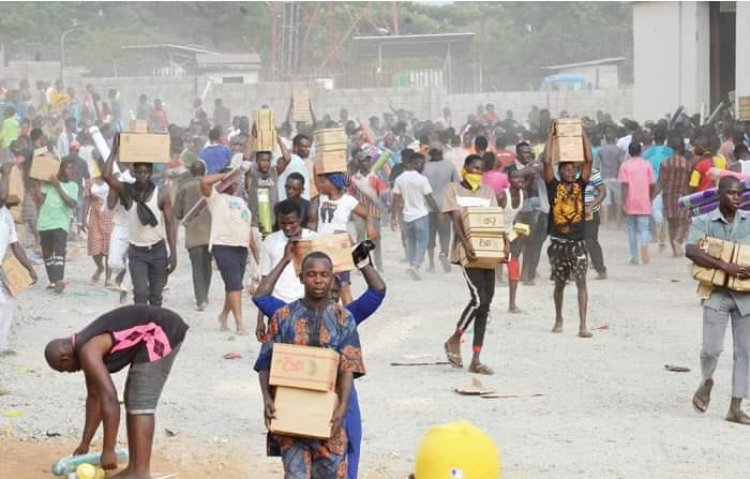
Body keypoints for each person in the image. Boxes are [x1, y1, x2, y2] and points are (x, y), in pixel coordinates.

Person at [253, 240, 385, 479]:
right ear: (302, 277)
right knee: (295, 474)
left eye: (324, 275)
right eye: (312, 274)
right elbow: (265, 362)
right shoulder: (284, 316)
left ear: (333, 279)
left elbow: (348, 367)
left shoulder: (344, 318)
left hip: (330, 412)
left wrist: (343, 407)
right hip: (291, 412)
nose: (318, 280)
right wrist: (266, 399)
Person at [44, 305, 188, 478]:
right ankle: (134, 469)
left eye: (64, 369)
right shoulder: (84, 347)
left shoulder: (88, 350)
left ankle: (140, 472)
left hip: (162, 329)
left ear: (65, 358)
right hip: (157, 329)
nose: (69, 372)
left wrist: (109, 450)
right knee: (133, 397)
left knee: (140, 399)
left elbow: (110, 400)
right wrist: (85, 443)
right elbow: (95, 398)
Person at [686, 176, 750, 425]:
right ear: (719, 194)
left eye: (739, 194)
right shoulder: (704, 221)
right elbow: (690, 250)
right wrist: (725, 266)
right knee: (711, 349)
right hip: (716, 294)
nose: (736, 197)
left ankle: (736, 406)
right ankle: (706, 382)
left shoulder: (748, 221)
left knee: (745, 352)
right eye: (731, 193)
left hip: (745, 297)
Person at [103, 134, 177, 306]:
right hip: (137, 252)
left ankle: (154, 331)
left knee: (156, 297)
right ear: (134, 172)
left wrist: (173, 253)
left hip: (158, 250)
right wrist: (114, 149)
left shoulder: (162, 194)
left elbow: (170, 224)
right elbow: (107, 176)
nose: (143, 175)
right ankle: (141, 330)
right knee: (141, 294)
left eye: (146, 171)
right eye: (139, 171)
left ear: (151, 172)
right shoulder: (127, 192)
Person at [443, 154, 500, 375]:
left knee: (486, 305)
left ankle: (476, 358)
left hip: (488, 252)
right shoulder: (453, 190)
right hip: (467, 253)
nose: (477, 173)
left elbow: (494, 220)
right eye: (474, 168)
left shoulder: (487, 192)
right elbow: (456, 220)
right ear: (465, 168)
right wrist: (466, 245)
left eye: (481, 170)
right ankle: (455, 338)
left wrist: (503, 247)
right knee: (478, 299)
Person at [543, 126, 594, 338]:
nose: (570, 172)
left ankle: (583, 324)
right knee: (560, 283)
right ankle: (558, 319)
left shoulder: (580, 185)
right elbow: (546, 162)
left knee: (582, 282)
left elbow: (589, 161)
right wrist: (551, 137)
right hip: (558, 243)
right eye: (566, 169)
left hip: (578, 243)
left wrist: (583, 133)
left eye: (573, 169)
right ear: (559, 171)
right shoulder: (553, 186)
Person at [201, 167, 255, 335]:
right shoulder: (215, 198)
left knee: (233, 286)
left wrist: (255, 252)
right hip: (223, 246)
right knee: (234, 285)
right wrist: (225, 176)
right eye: (233, 180)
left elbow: (247, 227)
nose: (235, 183)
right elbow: (204, 181)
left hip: (241, 247)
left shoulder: (240, 202)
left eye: (236, 180)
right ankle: (239, 323)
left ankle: (224, 315)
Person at [312, 172, 377, 303]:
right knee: (324, 285)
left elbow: (367, 214)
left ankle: (350, 318)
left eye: (325, 182)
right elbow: (316, 177)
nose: (321, 185)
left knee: (343, 286)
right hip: (322, 245)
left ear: (333, 185)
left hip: (340, 245)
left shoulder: (348, 200)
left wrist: (370, 227)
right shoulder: (322, 197)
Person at [0, 162, 37, 355]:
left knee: (8, 300)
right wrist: (6, 173)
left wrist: (29, 268)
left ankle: (2, 343)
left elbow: (15, 245)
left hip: (1, 266)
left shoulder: (6, 215)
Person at [391, 153, 438, 280]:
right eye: (419, 163)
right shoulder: (422, 179)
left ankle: (412, 264)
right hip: (421, 215)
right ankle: (416, 266)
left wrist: (392, 217)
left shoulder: (400, 179)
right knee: (423, 241)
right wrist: (438, 212)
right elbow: (429, 198)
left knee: (411, 242)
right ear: (411, 164)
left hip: (407, 216)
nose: (422, 166)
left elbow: (395, 199)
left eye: (423, 164)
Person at [173, 161, 212, 311]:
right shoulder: (210, 186)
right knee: (207, 265)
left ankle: (200, 299)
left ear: (190, 172)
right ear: (204, 171)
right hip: (210, 233)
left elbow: (177, 212)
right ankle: (205, 295)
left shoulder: (184, 188)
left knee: (197, 267)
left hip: (193, 233)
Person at [37, 157, 78, 294]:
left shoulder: (73, 186)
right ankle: (53, 281)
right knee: (47, 254)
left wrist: (57, 186)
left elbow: (71, 203)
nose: (72, 171)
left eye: (73, 168)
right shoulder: (48, 185)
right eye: (68, 168)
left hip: (60, 224)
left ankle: (59, 280)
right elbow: (40, 201)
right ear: (60, 170)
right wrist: (39, 184)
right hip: (44, 223)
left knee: (59, 252)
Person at [423, 142, 460, 273]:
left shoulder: (424, 167)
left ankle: (431, 264)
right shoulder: (450, 166)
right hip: (445, 206)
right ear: (442, 152)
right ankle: (444, 253)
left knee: (430, 236)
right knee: (445, 234)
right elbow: (457, 185)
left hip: (428, 206)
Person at [619, 142, 655, 265]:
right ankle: (645, 255)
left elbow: (624, 185)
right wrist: (650, 198)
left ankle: (634, 256)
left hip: (630, 201)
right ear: (641, 151)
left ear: (629, 152)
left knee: (631, 230)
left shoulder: (625, 166)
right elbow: (652, 184)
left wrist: (623, 202)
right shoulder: (647, 165)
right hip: (644, 201)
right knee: (644, 229)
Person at [82, 159, 115, 285]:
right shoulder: (90, 183)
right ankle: (100, 267)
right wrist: (83, 219)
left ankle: (108, 278)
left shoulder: (115, 182)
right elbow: (86, 200)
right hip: (95, 217)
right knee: (95, 247)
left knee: (109, 248)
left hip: (111, 217)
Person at [659, 136, 692, 257]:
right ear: (682, 148)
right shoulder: (688, 164)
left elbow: (661, 182)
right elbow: (690, 182)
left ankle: (674, 250)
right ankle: (678, 240)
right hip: (683, 195)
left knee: (671, 222)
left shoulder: (665, 163)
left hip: (668, 195)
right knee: (684, 222)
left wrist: (652, 196)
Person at [498, 169, 525, 312]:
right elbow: (491, 218)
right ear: (509, 180)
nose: (519, 180)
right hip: (496, 233)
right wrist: (504, 239)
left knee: (514, 265)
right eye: (515, 177)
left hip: (509, 232)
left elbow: (518, 215)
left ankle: (512, 304)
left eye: (521, 177)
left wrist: (519, 230)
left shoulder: (522, 194)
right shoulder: (502, 196)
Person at [246, 150, 279, 238]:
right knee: (259, 250)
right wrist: (253, 138)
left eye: (268, 160)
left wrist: (278, 138)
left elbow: (287, 159)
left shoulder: (274, 172)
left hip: (272, 222)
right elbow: (245, 161)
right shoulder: (252, 174)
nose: (266, 163)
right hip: (257, 224)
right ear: (256, 161)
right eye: (262, 160)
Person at [583, 167, 608, 280]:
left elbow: (602, 192)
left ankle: (600, 269)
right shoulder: (566, 170)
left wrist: (591, 206)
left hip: (589, 213)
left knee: (590, 241)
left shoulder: (592, 172)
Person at [596, 131, 625, 224]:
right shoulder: (619, 150)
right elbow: (622, 163)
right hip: (616, 177)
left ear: (606, 140)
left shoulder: (600, 150)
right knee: (618, 200)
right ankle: (618, 221)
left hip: (604, 177)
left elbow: (596, 165)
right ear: (615, 140)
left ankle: (605, 221)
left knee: (605, 200)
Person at [277, 134, 312, 201]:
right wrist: (279, 139)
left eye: (308, 147)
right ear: (295, 147)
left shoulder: (300, 162)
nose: (308, 149)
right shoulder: (294, 160)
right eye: (304, 146)